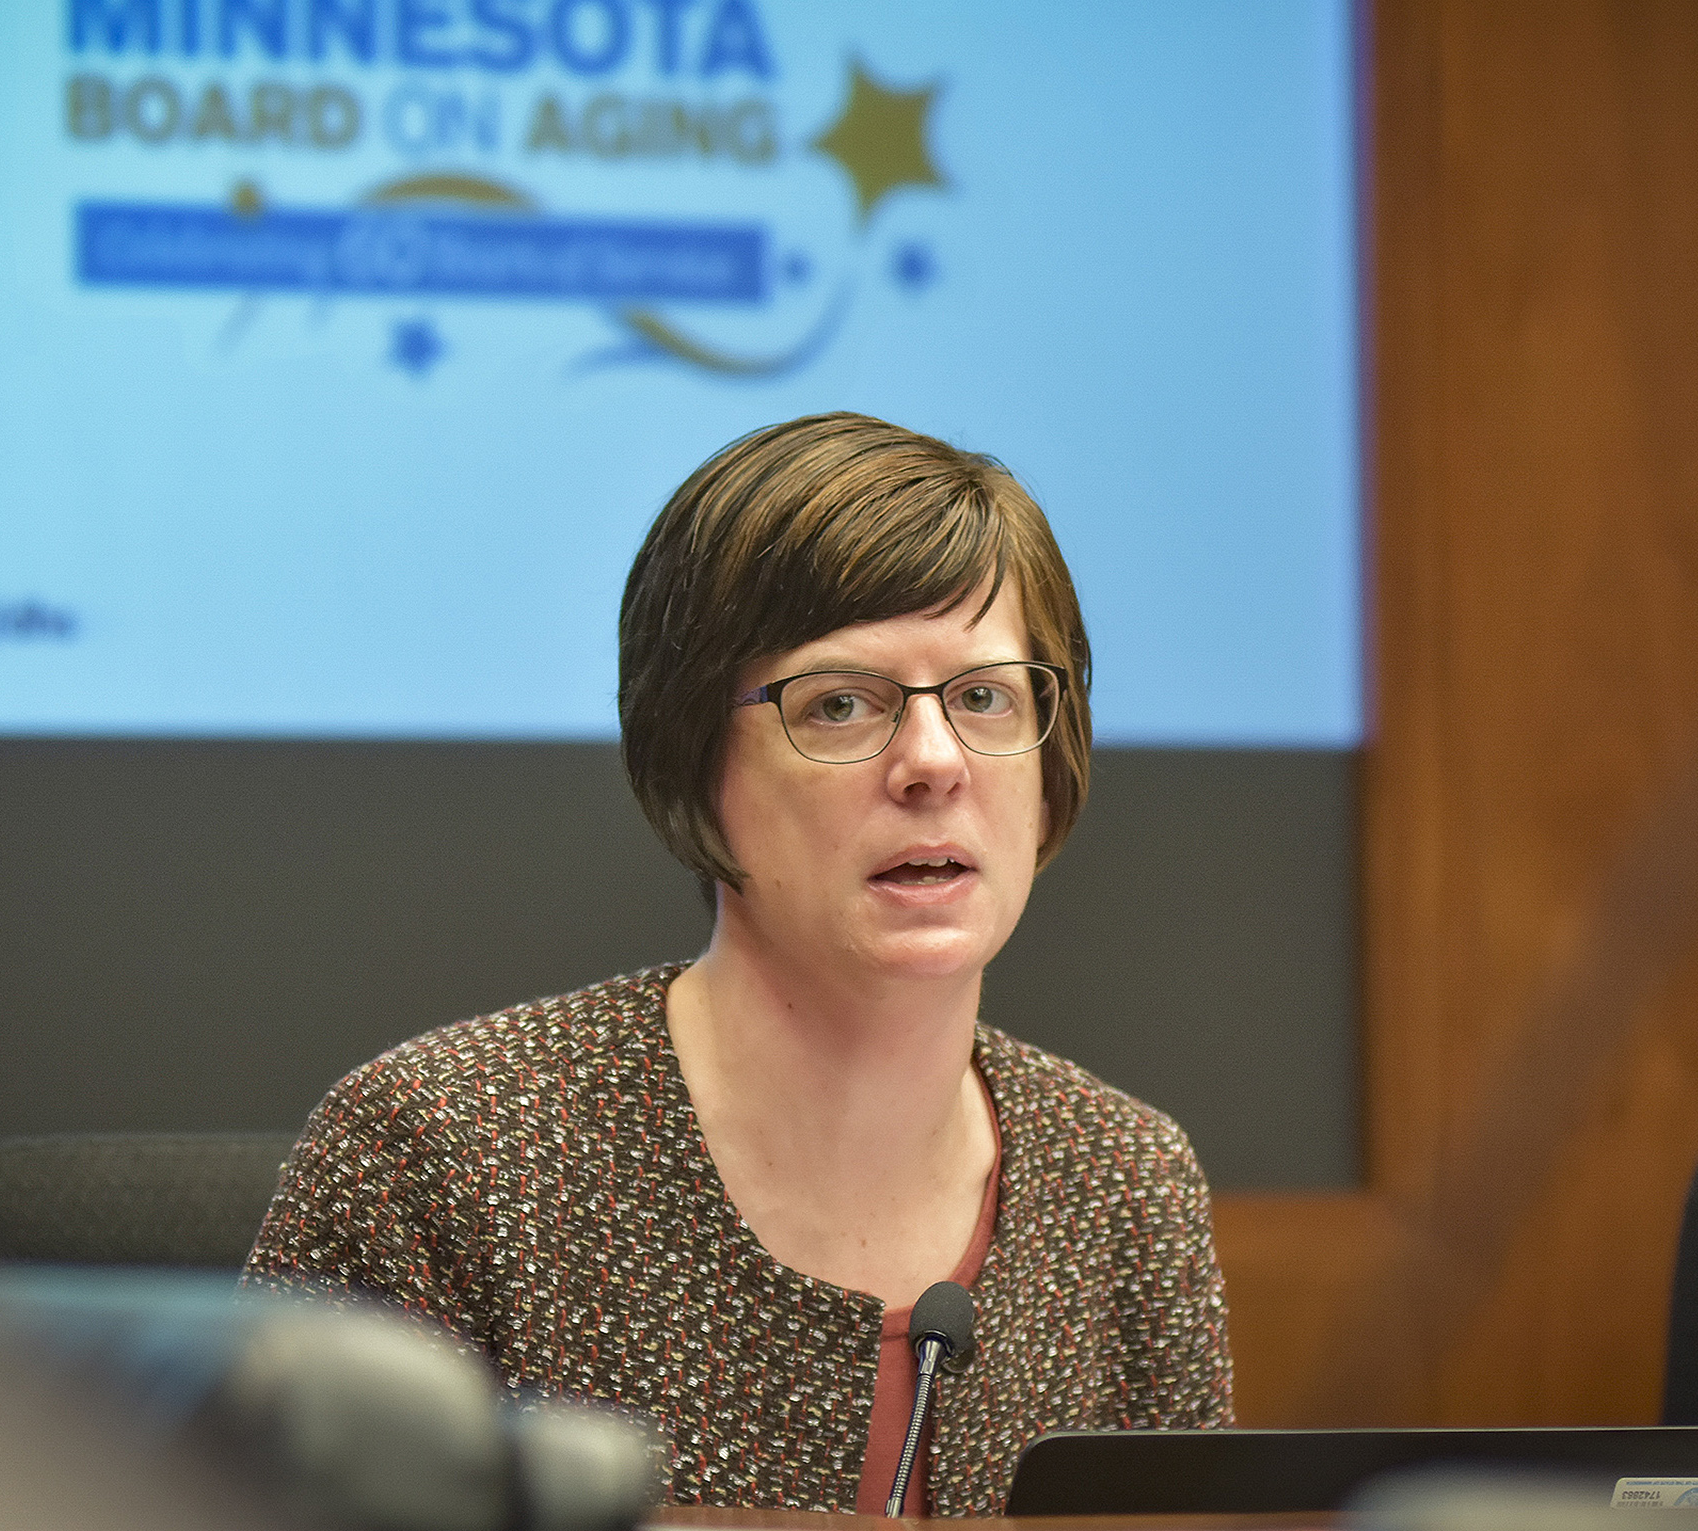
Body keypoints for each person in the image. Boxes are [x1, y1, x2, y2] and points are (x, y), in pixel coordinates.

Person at [242, 412, 1233, 1515]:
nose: (934, 762)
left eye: (984, 696)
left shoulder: (1124, 1182)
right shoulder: (443, 1154)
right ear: (692, 757)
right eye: (841, 703)